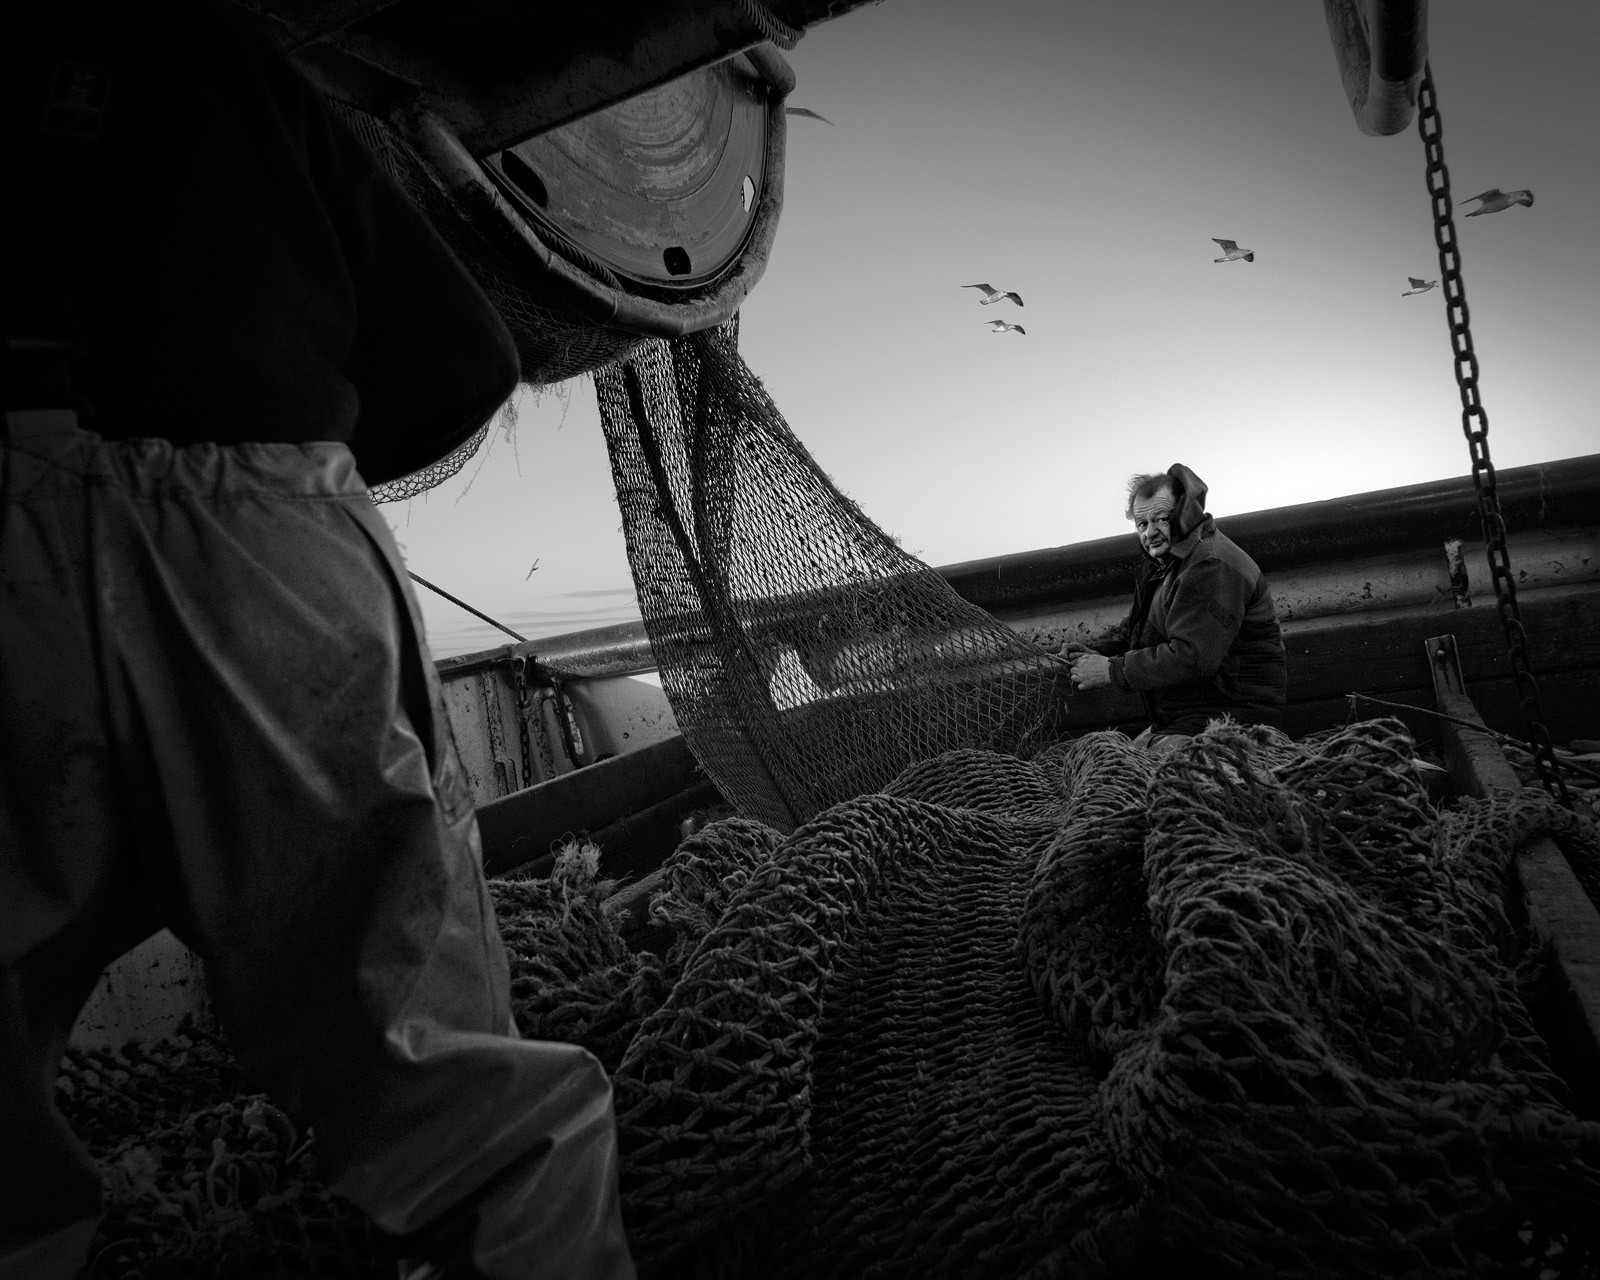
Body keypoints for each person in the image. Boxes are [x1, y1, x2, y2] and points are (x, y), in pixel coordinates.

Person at [1, 2, 634, 1277]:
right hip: (262, 521)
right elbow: (462, 353)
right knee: (434, 1054)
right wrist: (302, 460)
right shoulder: (222, 56)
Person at [1062, 464, 1287, 745]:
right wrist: (1099, 649)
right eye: (1142, 524)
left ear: (1185, 514)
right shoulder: (1163, 562)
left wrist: (1111, 670)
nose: (1150, 533)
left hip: (1232, 720)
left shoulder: (1210, 564)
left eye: (1161, 520)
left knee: (1133, 776)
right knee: (1112, 764)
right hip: (1183, 721)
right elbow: (1141, 625)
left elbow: (1192, 657)